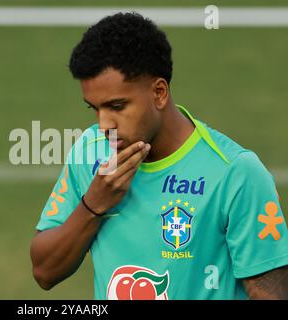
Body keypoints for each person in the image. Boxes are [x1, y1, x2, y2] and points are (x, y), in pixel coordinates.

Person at [30, 12, 288, 300]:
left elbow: (270, 293)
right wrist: (94, 205)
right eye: (94, 108)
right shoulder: (89, 151)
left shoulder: (235, 172)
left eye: (117, 106)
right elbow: (44, 272)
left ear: (159, 92)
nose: (104, 124)